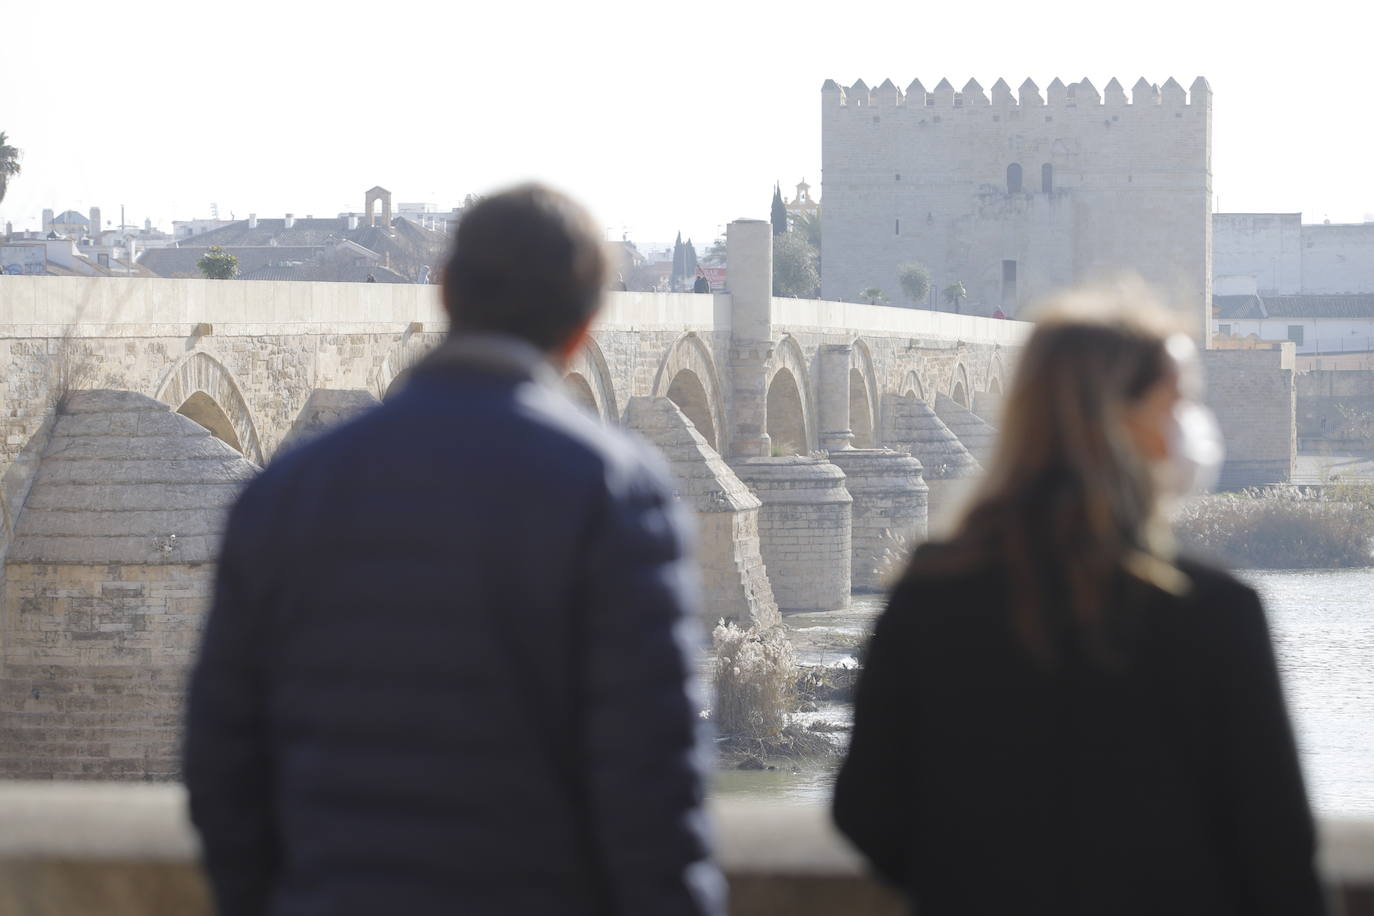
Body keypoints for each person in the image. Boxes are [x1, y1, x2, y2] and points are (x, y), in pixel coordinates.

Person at [185, 184, 725, 916]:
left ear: (444, 292)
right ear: (582, 331)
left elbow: (223, 762)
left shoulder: (284, 492)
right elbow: (651, 784)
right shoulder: (615, 493)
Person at [833, 286, 1326, 916]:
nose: (1190, 424)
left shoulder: (927, 595)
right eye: (1177, 402)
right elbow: (1278, 849)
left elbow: (866, 811)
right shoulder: (1212, 612)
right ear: (1118, 419)